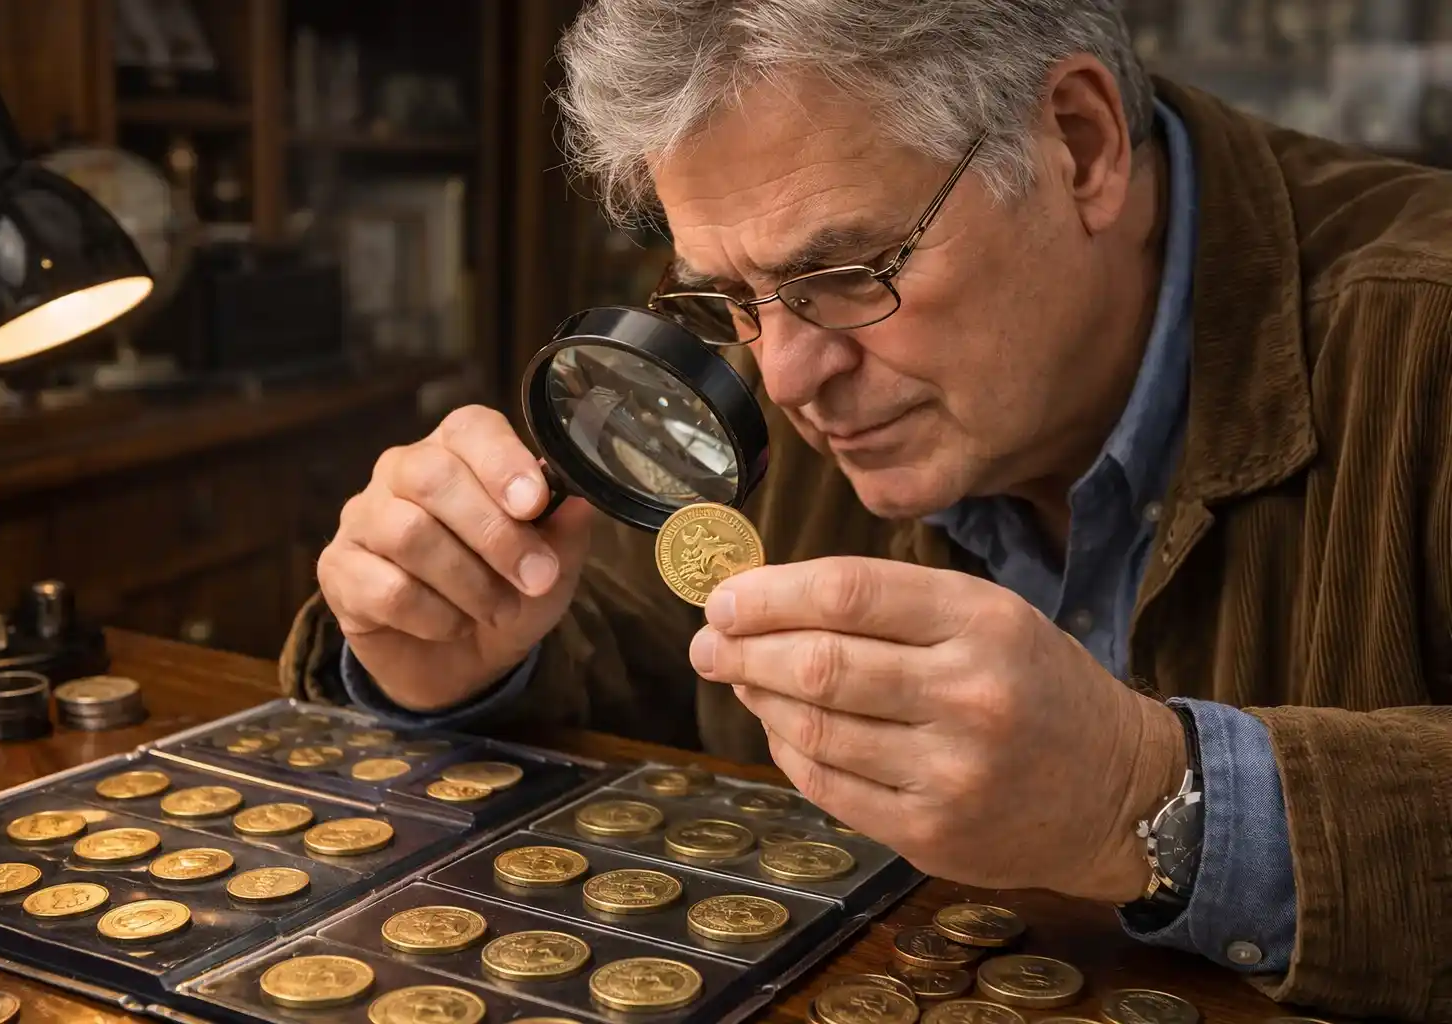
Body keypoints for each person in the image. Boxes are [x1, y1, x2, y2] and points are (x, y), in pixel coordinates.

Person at [280, 2, 1452, 1019]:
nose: (786, 379)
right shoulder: (777, 337)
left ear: (1081, 145)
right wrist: (450, 653)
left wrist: (1147, 795)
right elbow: (633, 640)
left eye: (852, 273)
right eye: (731, 294)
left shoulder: (1421, 333)